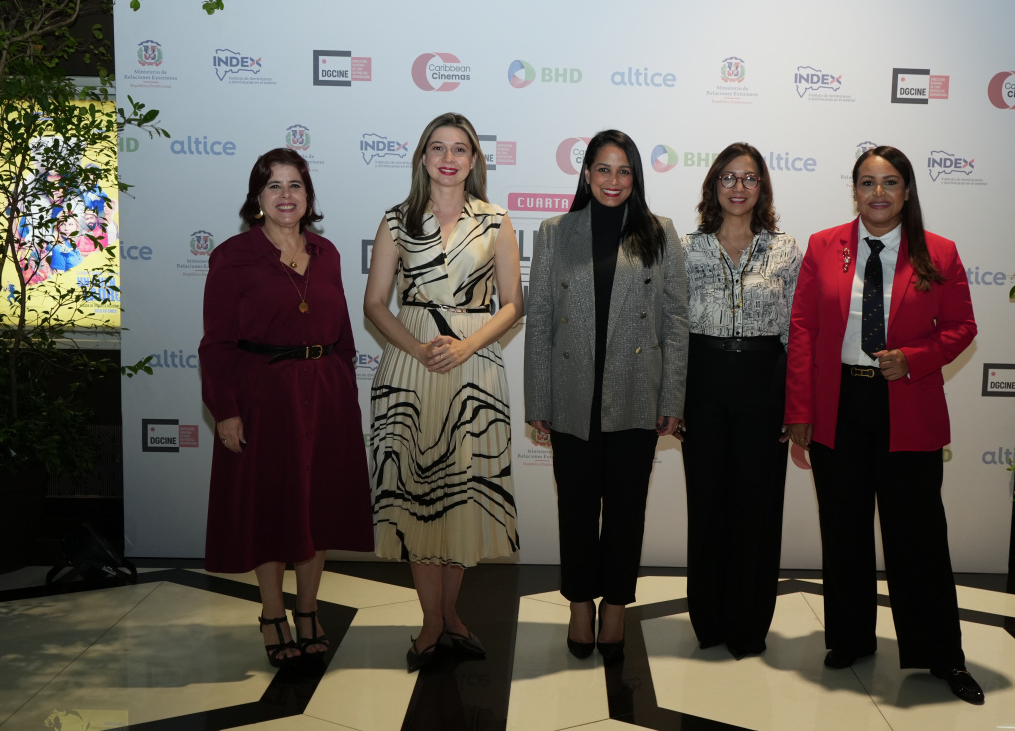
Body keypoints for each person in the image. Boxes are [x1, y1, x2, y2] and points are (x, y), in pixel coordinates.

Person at [784, 146, 983, 703]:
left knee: (918, 538)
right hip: (839, 405)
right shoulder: (824, 245)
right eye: (868, 183)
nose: (878, 193)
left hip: (907, 404)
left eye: (890, 182)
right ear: (854, 191)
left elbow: (962, 327)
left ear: (907, 190)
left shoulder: (938, 251)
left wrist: (913, 359)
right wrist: (799, 411)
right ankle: (849, 640)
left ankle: (942, 655)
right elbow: (802, 329)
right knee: (843, 531)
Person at [199, 148, 374, 668]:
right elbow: (216, 344)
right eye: (273, 186)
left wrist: (344, 388)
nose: (285, 195)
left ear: (308, 195)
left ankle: (308, 609)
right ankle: (273, 613)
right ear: (257, 197)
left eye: (295, 185)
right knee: (271, 508)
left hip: (326, 396)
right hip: (263, 398)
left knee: (316, 508)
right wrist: (226, 409)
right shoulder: (232, 257)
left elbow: (343, 333)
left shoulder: (327, 253)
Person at [363, 113, 522, 673]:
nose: (448, 158)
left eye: (460, 149)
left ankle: (448, 615)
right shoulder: (396, 220)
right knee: (416, 496)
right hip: (411, 367)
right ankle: (432, 622)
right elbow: (375, 303)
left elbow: (513, 303)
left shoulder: (496, 220)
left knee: (461, 495)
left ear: (474, 159)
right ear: (423, 157)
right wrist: (418, 348)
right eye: (438, 148)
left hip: (474, 368)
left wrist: (465, 345)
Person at [524, 130, 689, 660]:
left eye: (624, 171)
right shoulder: (555, 232)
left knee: (625, 512)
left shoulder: (659, 232)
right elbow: (540, 318)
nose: (613, 181)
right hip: (572, 397)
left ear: (635, 177)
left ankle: (616, 607)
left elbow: (677, 320)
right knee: (575, 511)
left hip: (637, 395)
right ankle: (579, 606)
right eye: (603, 169)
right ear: (586, 173)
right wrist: (539, 400)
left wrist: (673, 399)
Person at [676, 142, 801, 659]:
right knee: (707, 504)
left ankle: (749, 624)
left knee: (757, 506)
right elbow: (672, 328)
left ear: (762, 187)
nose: (738, 187)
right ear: (713, 185)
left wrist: (795, 405)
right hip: (702, 379)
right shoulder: (686, 248)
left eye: (749, 178)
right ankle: (709, 620)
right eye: (728, 177)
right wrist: (672, 397)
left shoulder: (785, 248)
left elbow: (796, 331)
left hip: (763, 381)